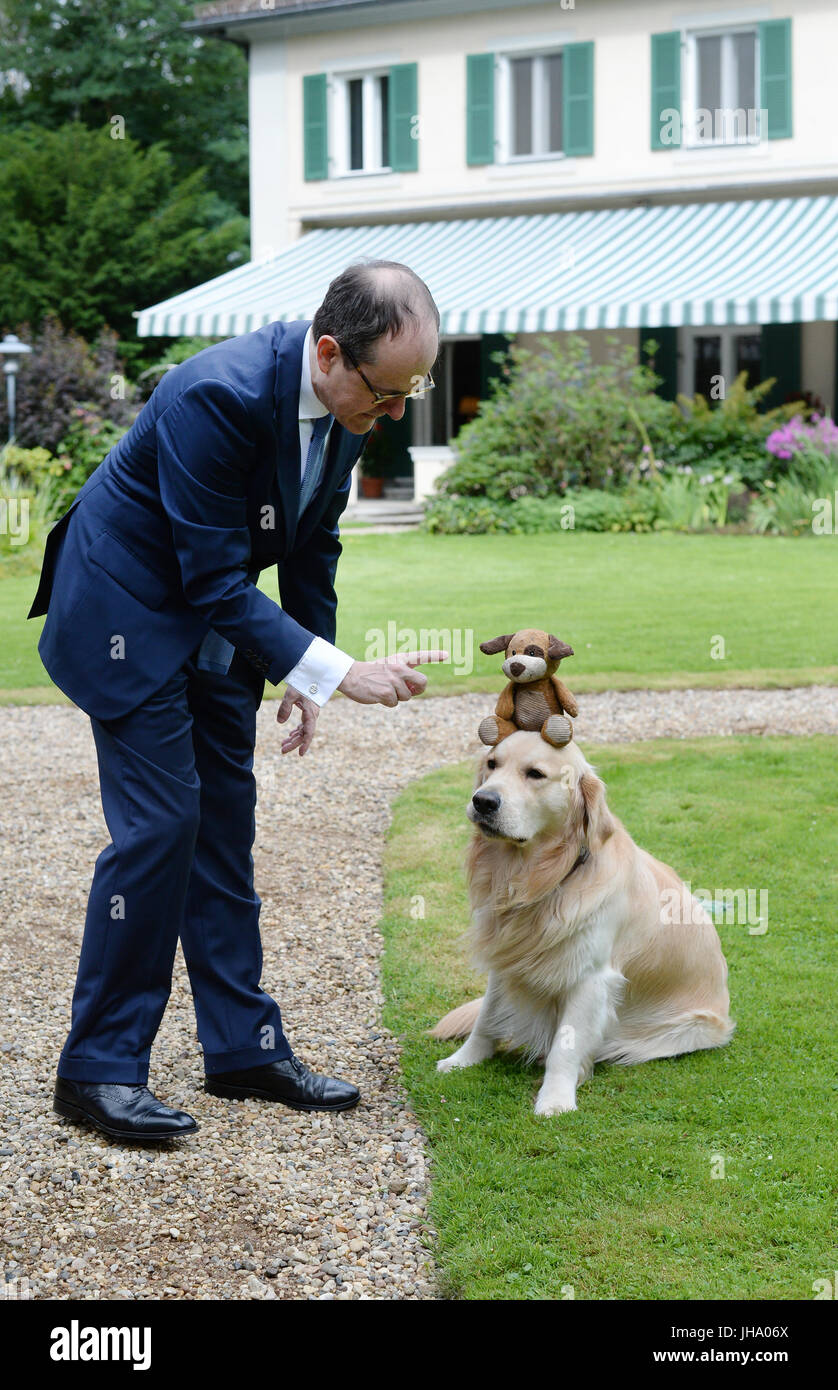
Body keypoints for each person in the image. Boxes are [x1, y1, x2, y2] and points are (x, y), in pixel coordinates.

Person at [27, 260, 444, 1140]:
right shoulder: (212, 394)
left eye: (416, 390)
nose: (398, 412)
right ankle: (97, 1071)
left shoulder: (349, 404)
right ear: (329, 352)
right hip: (125, 612)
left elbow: (313, 543)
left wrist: (308, 664)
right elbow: (216, 576)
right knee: (162, 828)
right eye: (389, 391)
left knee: (225, 823)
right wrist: (338, 672)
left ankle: (244, 1051)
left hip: (212, 620)